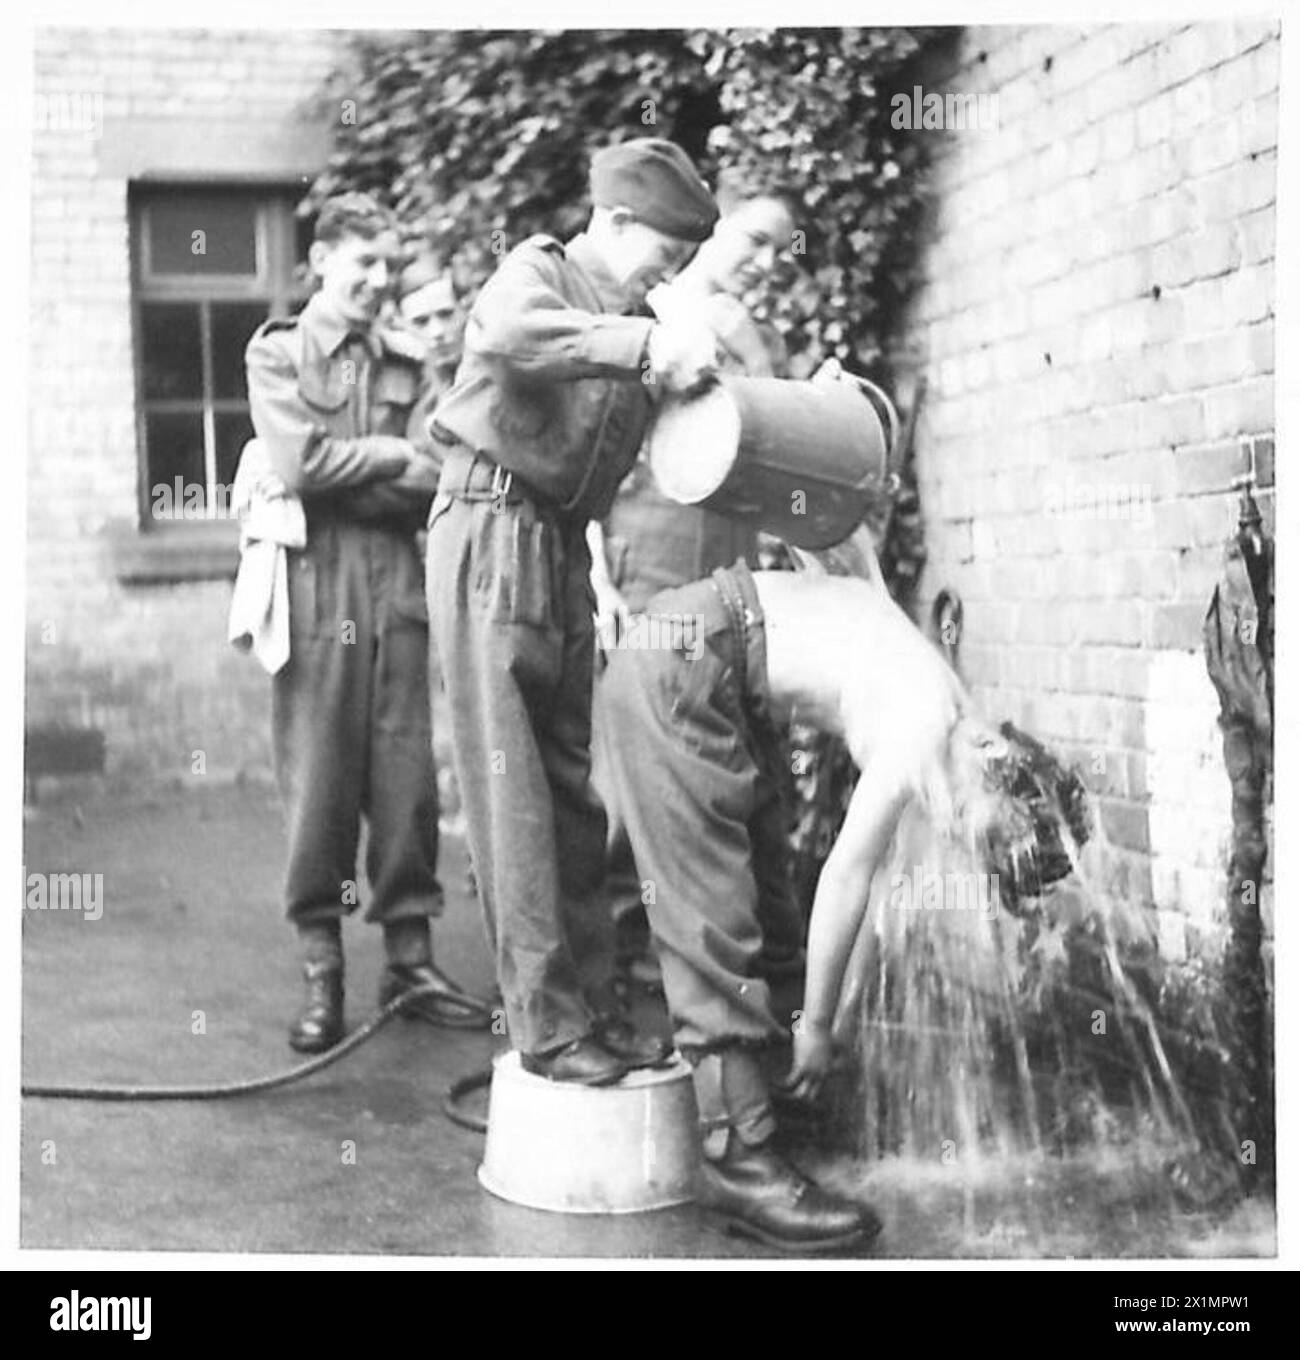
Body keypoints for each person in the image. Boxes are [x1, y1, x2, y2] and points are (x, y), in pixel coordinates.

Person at [599, 547, 1039, 1251]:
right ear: (990, 754)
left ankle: (775, 1099)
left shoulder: (945, 708)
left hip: (714, 662)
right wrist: (816, 1025)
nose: (955, 829)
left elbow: (872, 892)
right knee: (710, 911)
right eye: (973, 824)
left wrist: (828, 1022)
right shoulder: (926, 728)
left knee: (769, 897)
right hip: (681, 657)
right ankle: (739, 1156)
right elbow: (843, 877)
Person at [424, 138, 721, 1086]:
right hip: (488, 527)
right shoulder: (539, 271)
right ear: (617, 221)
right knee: (510, 792)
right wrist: (644, 348)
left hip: (553, 546)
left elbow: (599, 470)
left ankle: (591, 1008)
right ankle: (547, 1030)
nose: (667, 275)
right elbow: (507, 337)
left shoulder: (634, 318)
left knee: (568, 793)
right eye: (662, 252)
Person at [244, 192, 489, 1054]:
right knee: (319, 781)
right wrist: (386, 459)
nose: (380, 282)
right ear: (322, 261)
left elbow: (444, 469)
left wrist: (380, 474)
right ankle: (323, 971)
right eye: (364, 265)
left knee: (405, 780)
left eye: (390, 266)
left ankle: (411, 960)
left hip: (397, 583)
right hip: (318, 585)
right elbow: (299, 464)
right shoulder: (279, 354)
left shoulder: (402, 357)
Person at [586, 176, 803, 987]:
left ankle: (739, 958)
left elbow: (779, 448)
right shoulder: (648, 312)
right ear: (712, 232)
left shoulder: (760, 338)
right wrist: (597, 573)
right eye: (753, 240)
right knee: (633, 759)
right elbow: (594, 446)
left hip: (735, 564)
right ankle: (615, 953)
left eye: (780, 251)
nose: (765, 263)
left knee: (741, 758)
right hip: (651, 552)